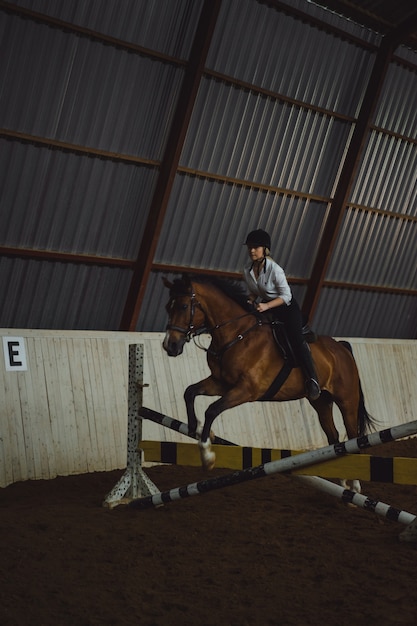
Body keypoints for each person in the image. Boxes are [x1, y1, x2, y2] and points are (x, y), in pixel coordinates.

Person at [243, 229, 321, 401]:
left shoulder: (275, 270)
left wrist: (266, 306)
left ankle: (313, 379)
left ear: (265, 250)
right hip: (266, 306)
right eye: (250, 247)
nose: (252, 250)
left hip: (286, 308)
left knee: (295, 338)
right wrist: (248, 301)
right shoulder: (247, 270)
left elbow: (286, 296)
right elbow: (253, 292)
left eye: (256, 247)